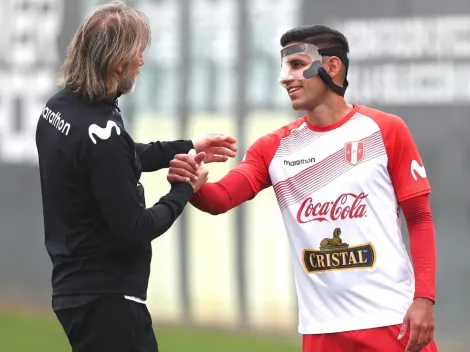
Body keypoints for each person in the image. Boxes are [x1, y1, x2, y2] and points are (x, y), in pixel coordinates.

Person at [176, 25, 438, 352]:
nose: (285, 78)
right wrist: (195, 183)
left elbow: (420, 219)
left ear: (331, 67)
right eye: (284, 67)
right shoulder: (273, 147)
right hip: (321, 329)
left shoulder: (385, 130)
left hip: (391, 320)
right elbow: (220, 198)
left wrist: (424, 299)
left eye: (297, 65)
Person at [35, 1, 235, 352]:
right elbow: (135, 229)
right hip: (109, 301)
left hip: (77, 290)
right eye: (137, 53)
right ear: (116, 64)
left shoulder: (60, 107)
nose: (142, 61)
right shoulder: (102, 133)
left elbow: (114, 160)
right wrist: (183, 189)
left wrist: (186, 145)